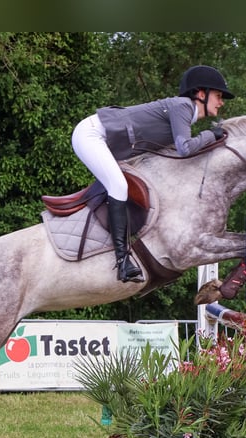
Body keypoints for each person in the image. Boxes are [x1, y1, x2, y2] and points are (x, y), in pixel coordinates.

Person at [71, 65, 235, 282]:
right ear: (201, 94)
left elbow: (174, 154)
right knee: (119, 186)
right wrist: (209, 135)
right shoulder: (183, 106)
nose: (221, 102)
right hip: (92, 135)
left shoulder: (184, 115)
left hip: (104, 139)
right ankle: (122, 261)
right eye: (218, 95)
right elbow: (185, 148)